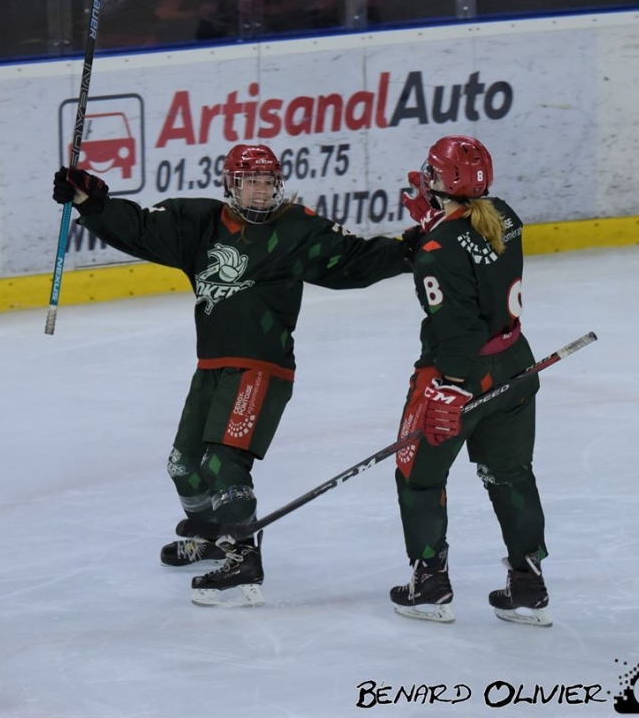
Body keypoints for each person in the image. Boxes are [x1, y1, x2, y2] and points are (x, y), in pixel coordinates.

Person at [53, 144, 411, 608]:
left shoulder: (297, 228)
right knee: (183, 465)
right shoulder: (199, 224)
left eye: (267, 181)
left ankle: (244, 560)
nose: (261, 191)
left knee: (222, 465)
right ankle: (210, 535)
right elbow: (139, 229)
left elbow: (356, 259)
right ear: (231, 184)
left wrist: (413, 248)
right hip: (212, 366)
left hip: (262, 367)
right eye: (250, 181)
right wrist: (89, 201)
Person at [389, 135, 550, 627]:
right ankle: (528, 585)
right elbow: (472, 249)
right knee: (511, 474)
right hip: (516, 367)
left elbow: (456, 328)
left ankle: (430, 582)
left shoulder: (436, 250)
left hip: (461, 374)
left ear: (440, 181)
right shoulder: (503, 216)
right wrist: (434, 223)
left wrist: (451, 387)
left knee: (417, 476)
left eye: (431, 174)